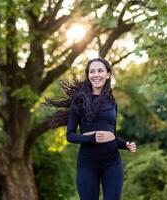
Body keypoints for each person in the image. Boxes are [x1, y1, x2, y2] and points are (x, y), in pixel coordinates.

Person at [45, 57, 136, 200]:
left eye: (100, 71)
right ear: (88, 76)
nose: (96, 74)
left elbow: (112, 134)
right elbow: (70, 135)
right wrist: (91, 138)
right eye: (92, 71)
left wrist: (125, 145)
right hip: (88, 163)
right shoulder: (79, 100)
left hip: (112, 161)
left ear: (108, 74)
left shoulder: (112, 102)